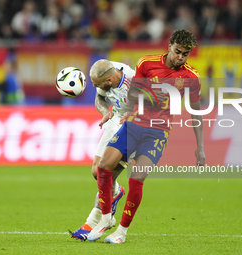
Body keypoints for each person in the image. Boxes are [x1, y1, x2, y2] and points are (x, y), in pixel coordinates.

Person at [87, 30, 206, 243]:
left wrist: (200, 147)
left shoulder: (191, 77)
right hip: (133, 125)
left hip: (158, 132)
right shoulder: (146, 63)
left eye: (185, 54)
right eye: (178, 51)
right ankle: (106, 218)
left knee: (137, 178)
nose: (181, 57)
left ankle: (121, 232)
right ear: (169, 46)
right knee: (103, 168)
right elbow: (134, 93)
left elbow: (195, 111)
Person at [70, 59, 135, 240]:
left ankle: (93, 221)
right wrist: (105, 111)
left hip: (133, 124)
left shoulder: (133, 80)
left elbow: (153, 101)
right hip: (115, 119)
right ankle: (117, 191)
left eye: (96, 84)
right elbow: (99, 98)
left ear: (109, 81)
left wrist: (136, 112)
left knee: (108, 173)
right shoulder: (104, 72)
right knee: (96, 171)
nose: (93, 86)